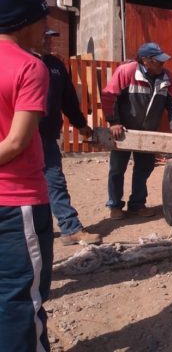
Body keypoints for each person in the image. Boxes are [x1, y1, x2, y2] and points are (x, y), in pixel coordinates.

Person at [0, 0, 54, 351]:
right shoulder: (29, 67)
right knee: (20, 299)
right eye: (40, 22)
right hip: (16, 200)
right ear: (23, 23)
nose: (44, 31)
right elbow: (16, 142)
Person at [101, 42, 172, 220]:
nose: (162, 64)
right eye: (158, 61)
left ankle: (137, 205)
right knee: (117, 169)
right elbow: (110, 97)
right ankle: (115, 206)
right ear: (145, 60)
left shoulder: (167, 77)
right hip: (123, 132)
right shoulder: (127, 72)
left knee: (144, 168)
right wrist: (114, 122)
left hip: (148, 132)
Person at [36, 30, 102, 246]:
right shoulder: (16, 61)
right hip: (18, 140)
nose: (49, 41)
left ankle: (70, 228)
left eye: (50, 37)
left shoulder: (55, 65)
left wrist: (81, 125)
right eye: (43, 36)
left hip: (46, 138)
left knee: (55, 182)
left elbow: (68, 99)